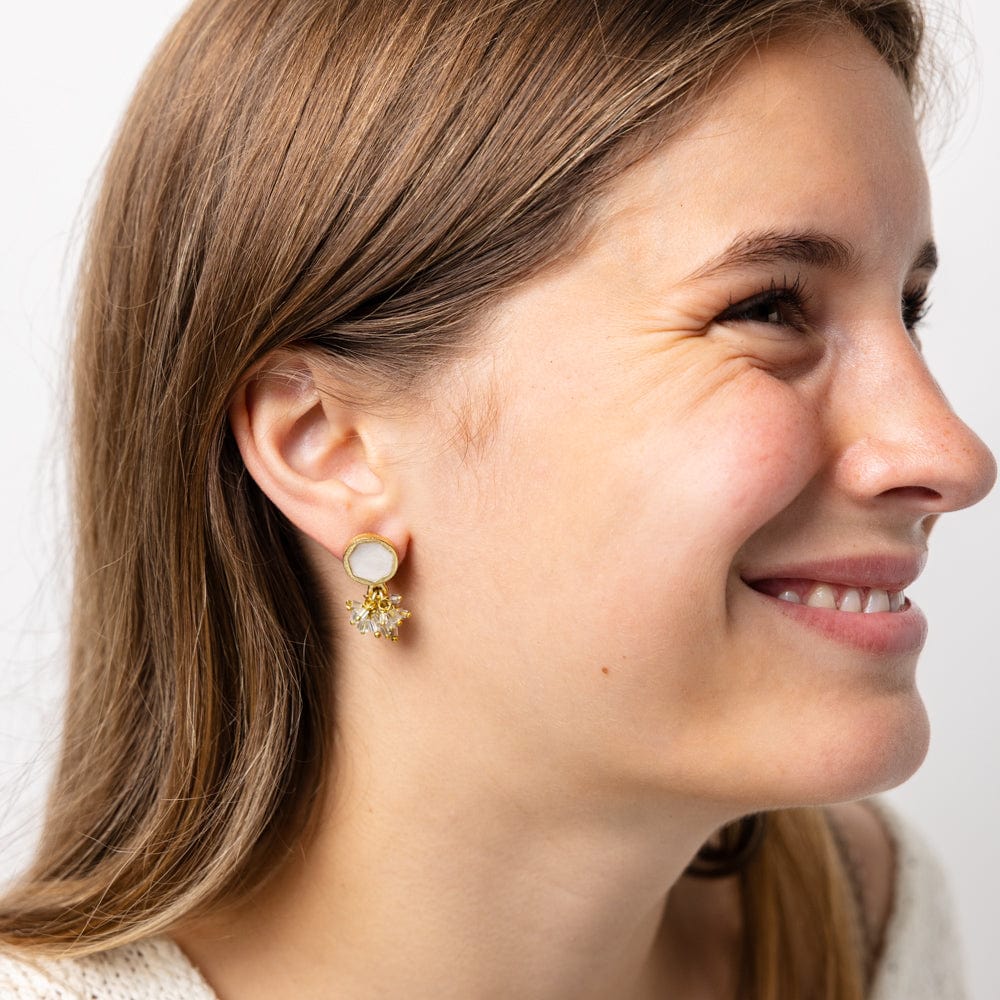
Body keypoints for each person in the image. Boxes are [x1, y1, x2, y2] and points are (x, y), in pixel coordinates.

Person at [0, 0, 994, 997]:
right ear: (330, 447)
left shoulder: (873, 922)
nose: (950, 453)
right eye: (767, 308)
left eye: (908, 309)